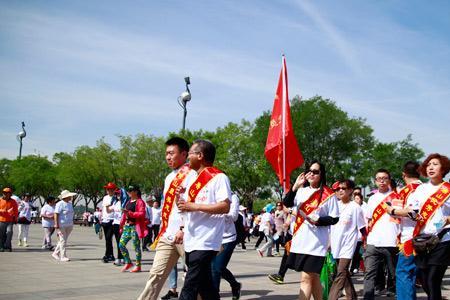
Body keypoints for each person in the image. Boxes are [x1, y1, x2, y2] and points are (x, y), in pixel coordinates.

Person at [138, 137, 195, 300]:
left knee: (196, 279)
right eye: (166, 154)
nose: (168, 157)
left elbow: (192, 206)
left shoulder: (193, 175)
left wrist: (183, 229)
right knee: (156, 274)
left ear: (184, 154)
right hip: (168, 236)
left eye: (172, 153)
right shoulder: (169, 177)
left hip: (187, 236)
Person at [176, 139, 231, 300]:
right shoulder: (192, 178)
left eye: (190, 154)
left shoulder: (219, 177)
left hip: (207, 240)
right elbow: (183, 207)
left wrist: (194, 206)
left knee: (189, 286)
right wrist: (179, 197)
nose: (187, 158)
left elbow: (225, 206)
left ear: (200, 155)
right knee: (205, 286)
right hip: (192, 238)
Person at [283, 161, 339, 300]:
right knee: (313, 278)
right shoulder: (301, 191)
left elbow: (334, 218)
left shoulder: (328, 194)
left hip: (317, 243)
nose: (312, 174)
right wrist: (295, 186)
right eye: (310, 171)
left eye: (316, 172)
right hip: (301, 240)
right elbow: (287, 203)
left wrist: (318, 220)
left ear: (321, 174)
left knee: (306, 278)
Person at [404, 154, 450, 300]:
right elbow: (412, 209)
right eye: (428, 164)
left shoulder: (447, 190)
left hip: (442, 239)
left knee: (433, 279)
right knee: (424, 280)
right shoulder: (421, 189)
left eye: (435, 164)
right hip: (422, 241)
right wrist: (411, 213)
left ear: (443, 168)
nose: (431, 167)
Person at [381, 161, 422, 300]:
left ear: (404, 174)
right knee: (413, 275)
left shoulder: (411, 190)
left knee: (403, 273)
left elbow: (413, 213)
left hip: (411, 237)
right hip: (426, 238)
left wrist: (393, 210)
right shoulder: (426, 188)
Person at [363, 169, 400, 299]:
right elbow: (369, 220)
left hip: (391, 241)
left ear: (389, 180)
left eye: (385, 178)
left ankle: (395, 292)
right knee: (369, 273)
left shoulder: (397, 197)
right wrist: (366, 239)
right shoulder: (372, 199)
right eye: (379, 178)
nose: (382, 181)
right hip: (373, 242)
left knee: (394, 274)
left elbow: (398, 219)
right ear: (375, 181)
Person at [329, 180, 366, 300]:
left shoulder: (355, 207)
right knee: (344, 273)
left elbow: (362, 227)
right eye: (338, 188)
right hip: (335, 244)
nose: (340, 190)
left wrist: (366, 241)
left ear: (350, 190)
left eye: (343, 188)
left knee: (340, 273)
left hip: (348, 245)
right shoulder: (334, 205)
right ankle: (352, 297)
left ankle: (332, 297)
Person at [211, 193, 242, 299]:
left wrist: (218, 210)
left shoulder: (233, 197)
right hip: (212, 238)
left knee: (217, 267)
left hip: (227, 238)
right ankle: (234, 285)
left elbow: (234, 217)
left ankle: (215, 294)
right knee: (214, 267)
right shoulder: (211, 194)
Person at [119, 185, 148, 273]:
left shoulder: (140, 202)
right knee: (121, 245)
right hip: (127, 227)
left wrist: (130, 213)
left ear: (135, 192)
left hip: (135, 226)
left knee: (136, 247)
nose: (129, 192)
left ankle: (138, 265)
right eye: (128, 191)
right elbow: (124, 215)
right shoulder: (128, 202)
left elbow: (142, 214)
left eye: (131, 190)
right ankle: (128, 262)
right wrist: (121, 225)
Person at [52, 190, 76, 262]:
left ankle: (55, 253)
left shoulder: (70, 204)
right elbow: (56, 214)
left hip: (69, 224)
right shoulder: (60, 204)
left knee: (63, 240)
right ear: (66, 197)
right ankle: (63, 256)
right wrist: (56, 224)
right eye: (69, 196)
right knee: (63, 240)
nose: (71, 197)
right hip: (62, 224)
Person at [350, 192, 367, 274]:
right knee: (353, 253)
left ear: (361, 200)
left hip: (361, 235)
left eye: (358, 199)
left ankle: (355, 268)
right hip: (353, 235)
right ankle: (353, 268)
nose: (356, 200)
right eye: (355, 198)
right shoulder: (351, 207)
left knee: (358, 253)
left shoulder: (364, 208)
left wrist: (365, 235)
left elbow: (365, 222)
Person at [101, 182, 117, 263]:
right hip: (104, 220)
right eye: (107, 189)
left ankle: (107, 255)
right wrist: (101, 219)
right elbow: (103, 209)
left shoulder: (116, 199)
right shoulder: (105, 198)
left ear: (114, 190)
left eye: (110, 189)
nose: (108, 190)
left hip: (112, 220)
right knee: (107, 239)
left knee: (108, 238)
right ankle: (111, 255)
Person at [0, 187, 18, 252]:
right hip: (1, 220)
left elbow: (16, 211)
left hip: (10, 220)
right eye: (5, 193)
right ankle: (1, 246)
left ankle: (7, 245)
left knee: (9, 232)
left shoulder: (13, 201)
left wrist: (15, 218)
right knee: (1, 234)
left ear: (10, 194)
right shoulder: (0, 200)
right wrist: (2, 210)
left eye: (8, 193)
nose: (6, 194)